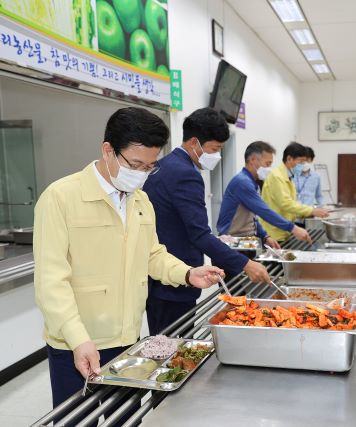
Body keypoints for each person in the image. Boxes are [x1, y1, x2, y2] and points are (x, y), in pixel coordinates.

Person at [33, 107, 223, 419]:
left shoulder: (139, 200)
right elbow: (51, 281)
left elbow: (152, 255)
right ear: (108, 150)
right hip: (76, 344)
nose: (141, 174)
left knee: (125, 418)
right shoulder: (60, 198)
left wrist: (188, 274)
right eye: (135, 164)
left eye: (149, 167)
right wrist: (78, 339)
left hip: (127, 340)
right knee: (78, 420)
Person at [143, 108, 270, 335]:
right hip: (176, 278)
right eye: (215, 149)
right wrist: (246, 264)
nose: (217, 156)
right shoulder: (186, 174)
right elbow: (199, 234)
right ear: (194, 142)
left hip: (156, 278)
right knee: (173, 346)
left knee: (160, 341)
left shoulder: (163, 165)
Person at [217, 141, 312, 247]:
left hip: (245, 241)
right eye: (267, 164)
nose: (269, 169)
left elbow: (253, 217)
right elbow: (264, 211)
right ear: (253, 160)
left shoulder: (252, 182)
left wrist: (265, 236)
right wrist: (293, 228)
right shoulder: (242, 182)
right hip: (232, 242)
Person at [260, 142, 329, 241]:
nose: (302, 165)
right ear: (289, 159)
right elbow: (286, 203)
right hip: (274, 233)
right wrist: (312, 210)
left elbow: (290, 204)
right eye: (300, 162)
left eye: (304, 162)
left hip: (284, 230)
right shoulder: (277, 177)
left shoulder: (288, 176)